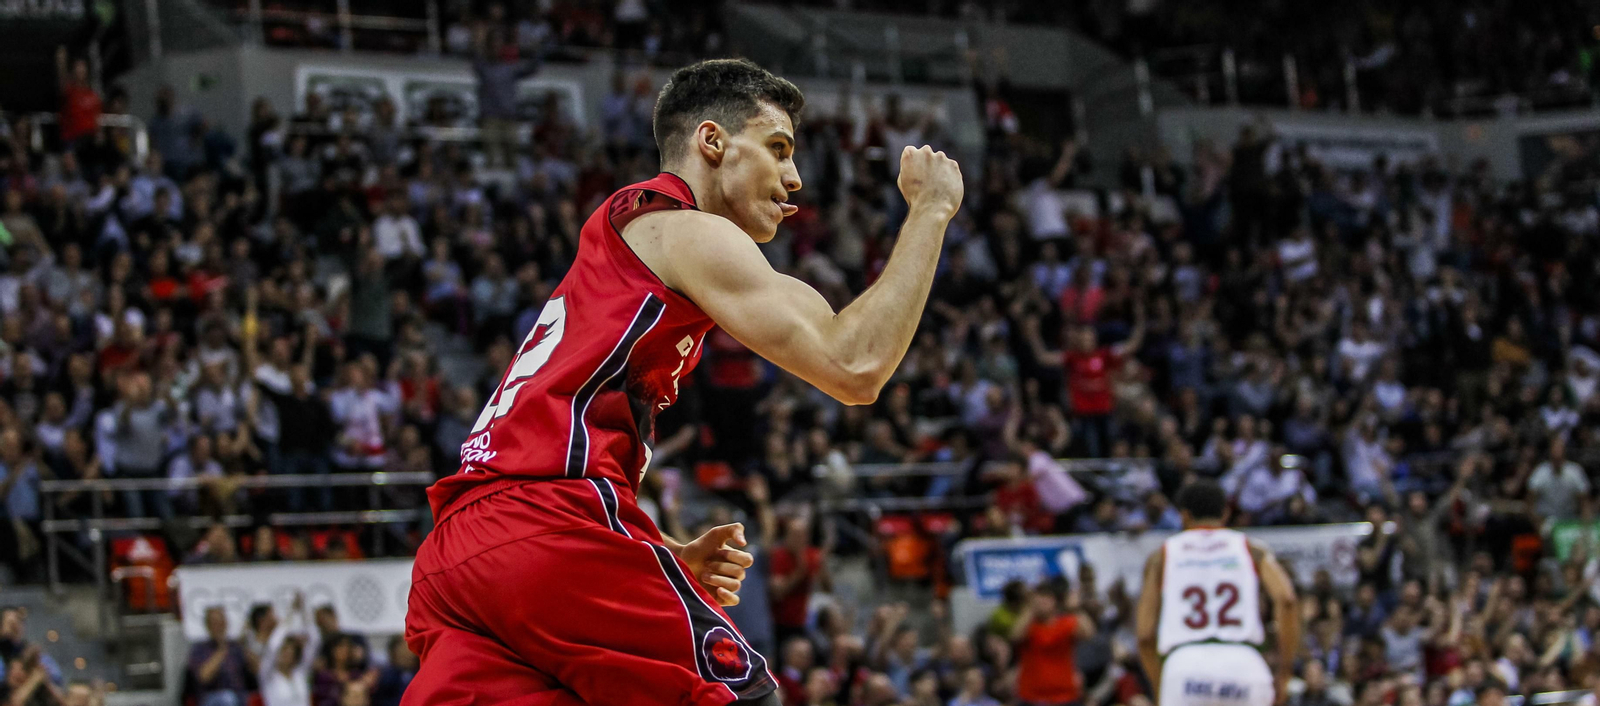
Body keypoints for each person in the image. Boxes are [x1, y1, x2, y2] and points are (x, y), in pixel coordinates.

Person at [403, 58, 963, 706]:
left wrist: (656, 548)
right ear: (712, 142)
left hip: (457, 555)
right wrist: (932, 210)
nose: (794, 178)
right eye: (778, 149)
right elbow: (855, 367)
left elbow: (541, 437)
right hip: (547, 525)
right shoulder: (684, 230)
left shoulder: (625, 236)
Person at [1136, 480, 1300, 706]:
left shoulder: (1162, 556)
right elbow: (1287, 600)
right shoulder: (1251, 549)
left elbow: (1145, 635)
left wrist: (1161, 686)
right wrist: (1285, 672)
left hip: (1184, 668)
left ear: (1184, 516)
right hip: (1243, 665)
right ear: (1225, 513)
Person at [260, 594, 319, 706]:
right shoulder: (268, 675)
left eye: (289, 652)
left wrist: (303, 612)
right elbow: (272, 646)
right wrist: (290, 614)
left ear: (294, 655)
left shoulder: (301, 672)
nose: (285, 655)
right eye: (282, 651)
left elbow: (315, 641)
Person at [187, 607, 252, 706]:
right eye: (215, 623)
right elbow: (204, 677)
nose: (219, 627)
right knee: (227, 698)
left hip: (239, 696)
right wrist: (221, 649)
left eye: (221, 622)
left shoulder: (236, 647)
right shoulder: (199, 649)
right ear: (208, 626)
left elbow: (257, 670)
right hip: (211, 697)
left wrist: (247, 643)